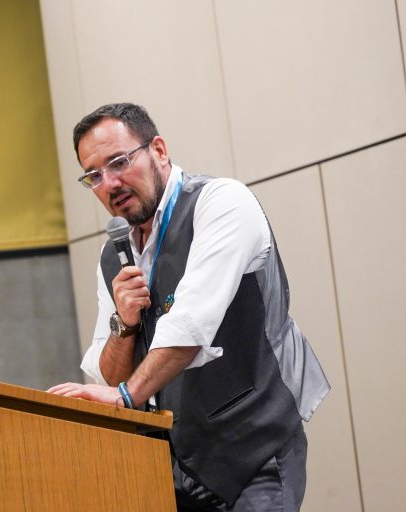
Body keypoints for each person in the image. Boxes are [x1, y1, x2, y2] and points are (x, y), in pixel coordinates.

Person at [49, 103, 329, 511]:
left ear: (159, 150)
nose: (109, 183)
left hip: (255, 452)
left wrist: (125, 396)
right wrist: (124, 325)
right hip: (179, 468)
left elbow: (190, 325)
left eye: (119, 162)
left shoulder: (221, 203)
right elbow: (111, 376)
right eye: (93, 175)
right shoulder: (113, 257)